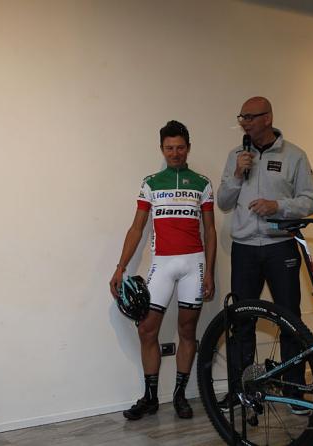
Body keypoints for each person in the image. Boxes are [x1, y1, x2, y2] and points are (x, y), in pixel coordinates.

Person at [216, 96, 313, 414]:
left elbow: (311, 201)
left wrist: (279, 206)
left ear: (267, 118)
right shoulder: (236, 156)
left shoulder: (294, 156)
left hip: (280, 247)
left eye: (249, 117)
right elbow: (223, 201)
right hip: (245, 249)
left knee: (289, 319)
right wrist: (237, 174)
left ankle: (294, 390)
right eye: (242, 117)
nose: (244, 123)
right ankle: (240, 390)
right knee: (241, 321)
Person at [109, 120, 217, 420]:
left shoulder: (203, 183)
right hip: (163, 263)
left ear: (188, 148)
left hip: (194, 264)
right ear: (161, 149)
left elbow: (210, 230)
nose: (175, 153)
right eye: (169, 148)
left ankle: (180, 395)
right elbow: (136, 228)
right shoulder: (151, 183)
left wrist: (209, 271)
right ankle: (150, 397)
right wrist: (120, 267)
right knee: (146, 329)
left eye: (180, 147)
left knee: (187, 330)